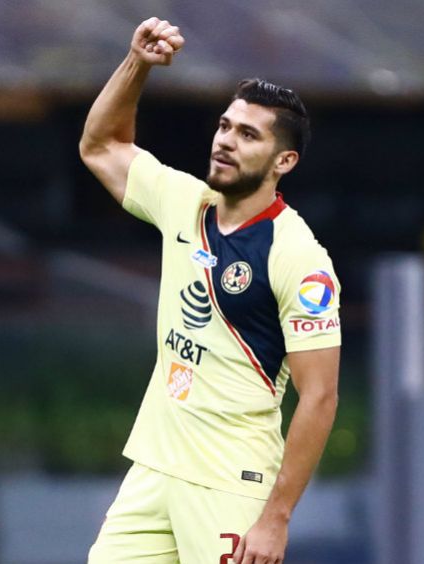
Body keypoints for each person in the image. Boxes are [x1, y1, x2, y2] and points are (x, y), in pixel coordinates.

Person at [79, 16, 342, 564]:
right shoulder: (184, 201)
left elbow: (319, 397)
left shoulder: (299, 257)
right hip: (154, 469)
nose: (226, 141)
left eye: (248, 135)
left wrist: (276, 517)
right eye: (225, 126)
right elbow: (101, 145)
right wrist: (137, 65)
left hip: (230, 484)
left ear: (283, 161)